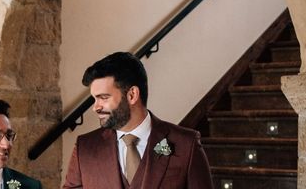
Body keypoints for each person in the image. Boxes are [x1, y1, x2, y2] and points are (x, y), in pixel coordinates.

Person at [63, 52, 212, 189]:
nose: (96, 107)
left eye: (103, 97)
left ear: (132, 95)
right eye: (95, 99)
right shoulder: (85, 147)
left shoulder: (186, 144)